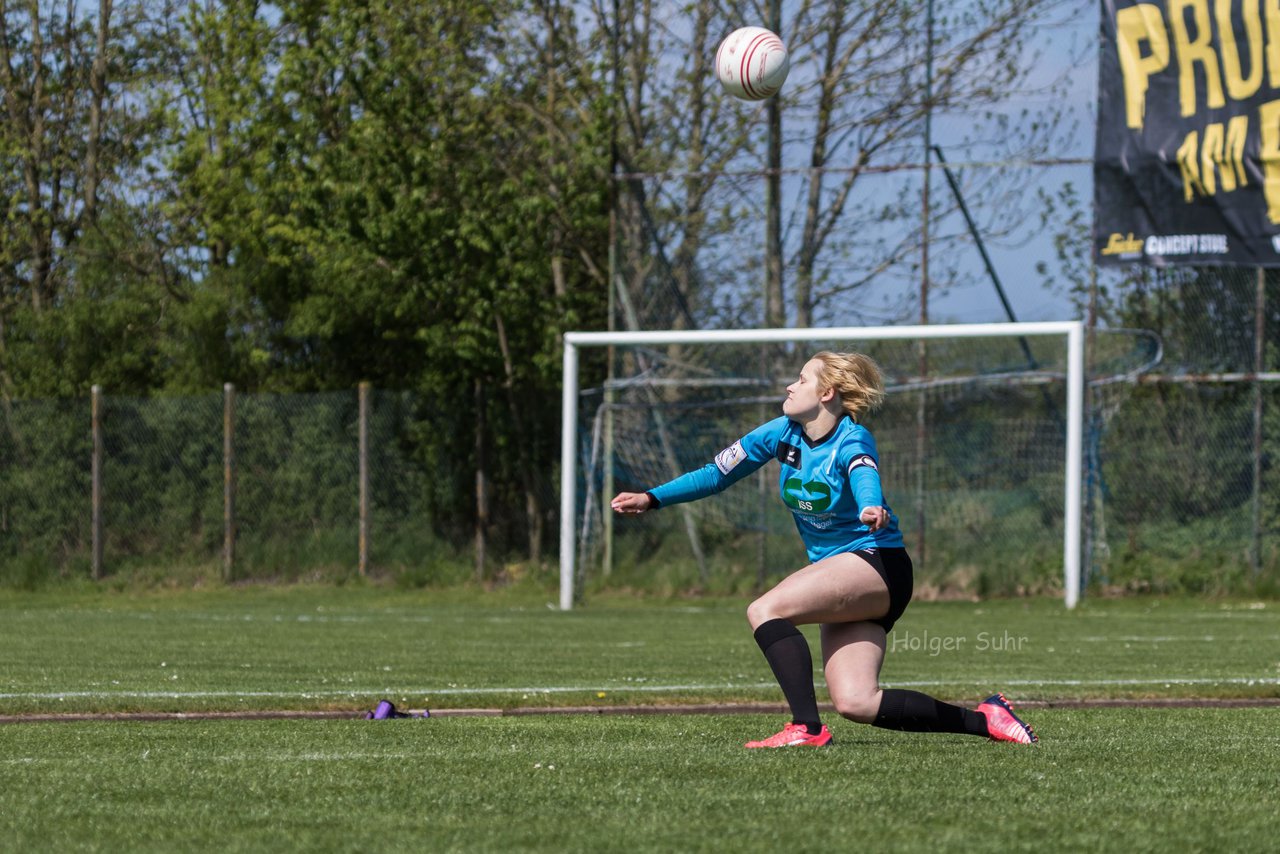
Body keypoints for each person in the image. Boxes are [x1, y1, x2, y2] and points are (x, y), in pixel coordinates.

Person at [610, 351, 1037, 748]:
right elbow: (717, 473)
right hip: (846, 573)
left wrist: (871, 504)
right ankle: (987, 719)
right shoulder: (781, 433)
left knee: (765, 609)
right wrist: (652, 497)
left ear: (827, 393)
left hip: (877, 564)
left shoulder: (852, 439)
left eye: (801, 380)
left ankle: (806, 728)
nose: (790, 388)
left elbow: (862, 472)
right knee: (857, 702)